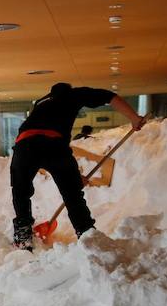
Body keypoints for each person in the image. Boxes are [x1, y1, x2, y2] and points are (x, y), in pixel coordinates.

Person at [10, 83, 144, 250]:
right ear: (69, 90)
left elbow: (38, 141)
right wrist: (134, 118)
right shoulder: (72, 95)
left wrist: (74, 178)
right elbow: (109, 96)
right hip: (54, 145)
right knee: (72, 196)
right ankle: (87, 235)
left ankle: (23, 237)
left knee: (20, 191)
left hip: (24, 146)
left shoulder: (41, 102)